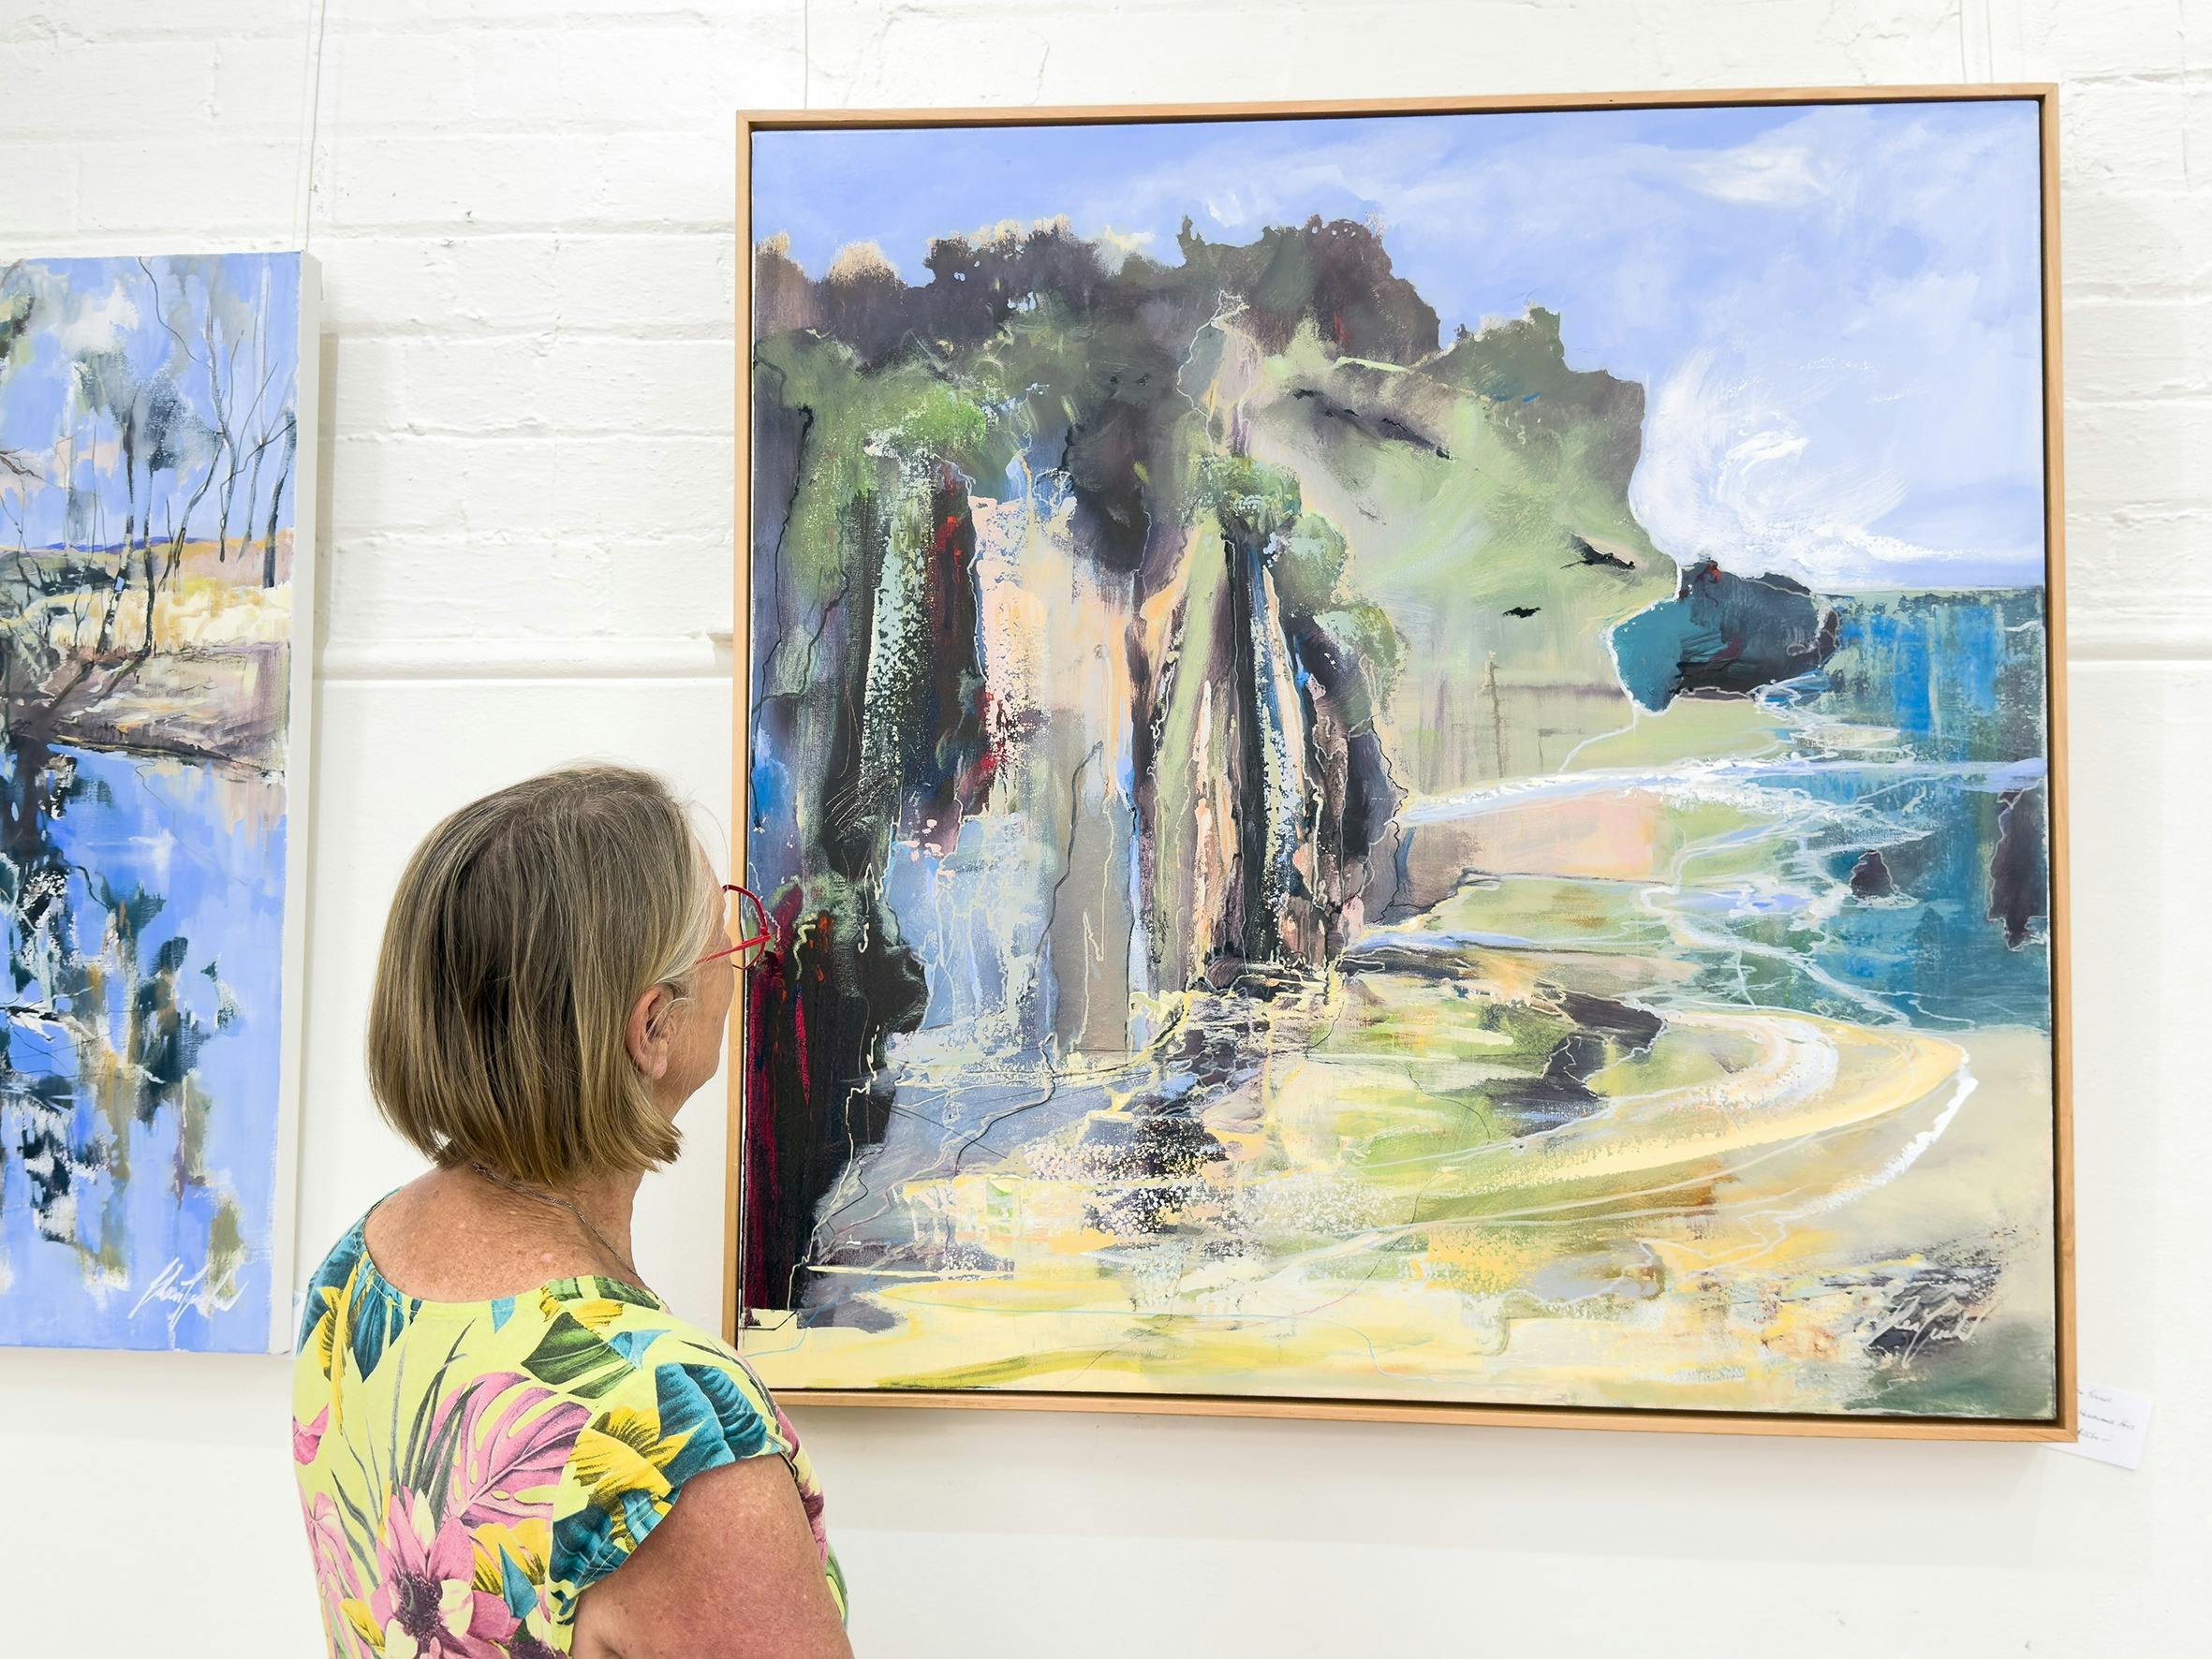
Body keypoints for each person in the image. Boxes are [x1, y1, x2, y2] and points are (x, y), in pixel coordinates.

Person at [290, 764, 851, 1659]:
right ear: (652, 1028)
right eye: (724, 938)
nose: (745, 957)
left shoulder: (357, 1271)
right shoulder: (671, 1436)